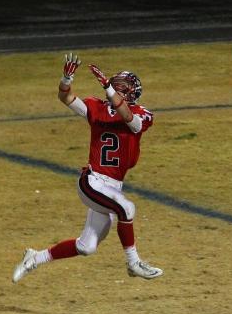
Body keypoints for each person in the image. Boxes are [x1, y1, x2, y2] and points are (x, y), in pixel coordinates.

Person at [12, 53, 163, 283]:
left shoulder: (142, 113)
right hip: (92, 181)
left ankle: (35, 257)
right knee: (127, 209)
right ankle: (133, 263)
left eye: (124, 88)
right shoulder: (96, 107)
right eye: (119, 87)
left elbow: (131, 122)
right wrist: (66, 78)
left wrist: (109, 90)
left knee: (87, 246)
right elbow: (66, 97)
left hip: (111, 187)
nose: (121, 90)